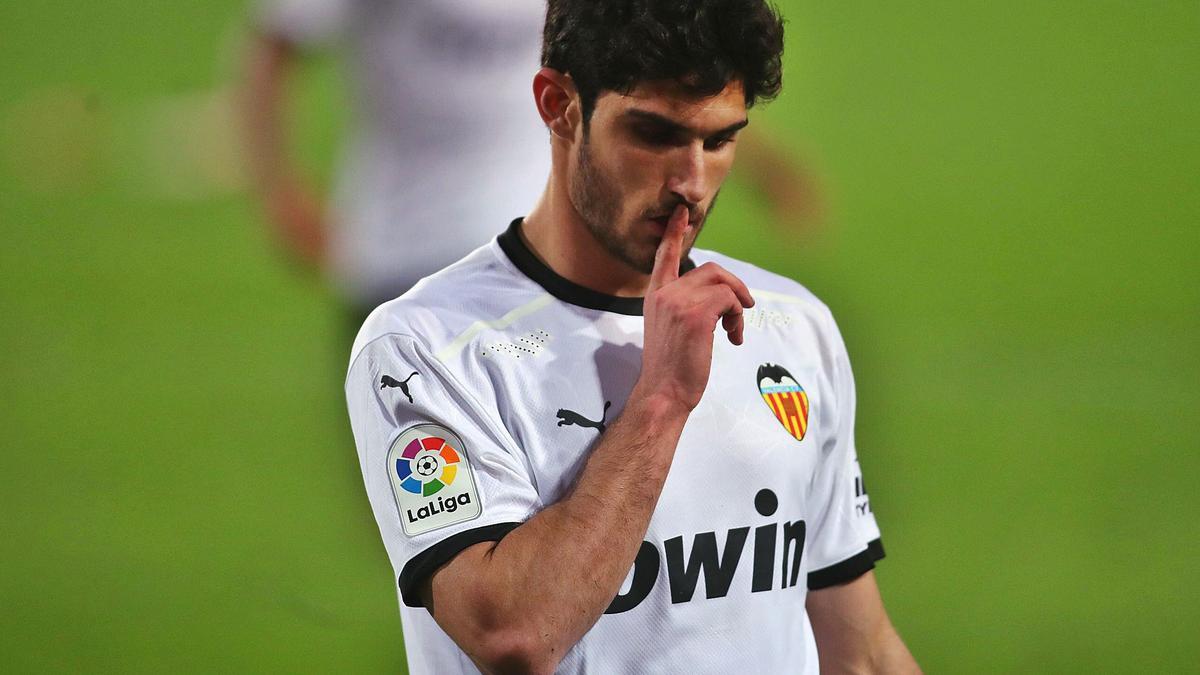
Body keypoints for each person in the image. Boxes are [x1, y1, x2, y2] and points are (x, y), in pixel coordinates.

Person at [345, 1, 921, 673]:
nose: (691, 184)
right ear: (558, 104)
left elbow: (860, 652)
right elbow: (516, 635)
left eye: (719, 140)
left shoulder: (790, 326)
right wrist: (660, 400)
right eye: (653, 134)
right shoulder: (425, 350)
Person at [240, 0, 819, 339]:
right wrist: (281, 194)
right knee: (435, 519)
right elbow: (275, 49)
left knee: (552, 501)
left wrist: (759, 162)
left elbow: (658, 70)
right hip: (403, 250)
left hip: (533, 241)